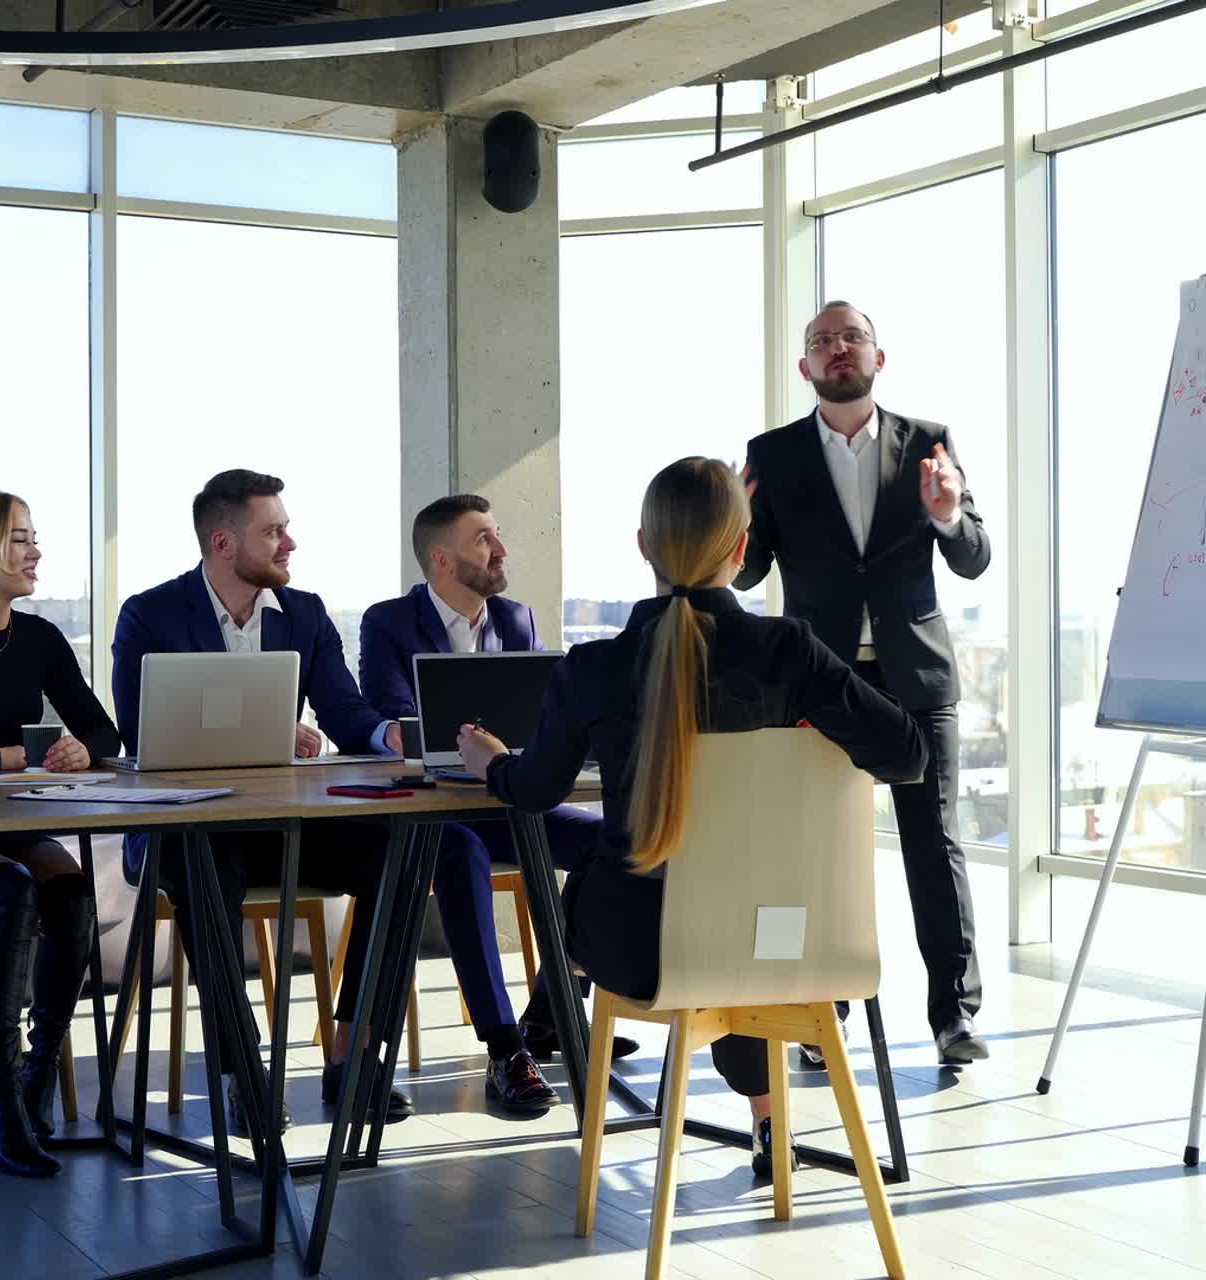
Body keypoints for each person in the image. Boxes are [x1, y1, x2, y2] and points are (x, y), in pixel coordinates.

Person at [457, 457, 925, 1181]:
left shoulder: (593, 668)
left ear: (644, 545)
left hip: (641, 950)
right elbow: (906, 754)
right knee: (740, 924)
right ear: (741, 553)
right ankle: (771, 1125)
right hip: (786, 941)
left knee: (601, 875)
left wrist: (489, 761)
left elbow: (535, 790)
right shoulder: (789, 653)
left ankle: (542, 1035)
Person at [112, 469, 414, 1132]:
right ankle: (242, 1071)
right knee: (205, 862)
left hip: (279, 827)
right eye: (272, 531)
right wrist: (270, 726)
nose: (289, 543)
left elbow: (343, 708)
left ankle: (353, 1053)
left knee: (399, 850)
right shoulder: (150, 614)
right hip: (182, 829)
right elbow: (140, 731)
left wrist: (386, 733)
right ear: (224, 542)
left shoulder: (303, 614)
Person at [735, 300, 992, 1066]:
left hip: (916, 677)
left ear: (880, 358)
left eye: (852, 337)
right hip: (818, 679)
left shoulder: (929, 443)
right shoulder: (771, 453)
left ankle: (954, 1017)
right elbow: (748, 569)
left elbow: (975, 556)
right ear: (805, 367)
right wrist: (736, 533)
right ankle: (824, 1008)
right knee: (819, 847)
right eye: (822, 340)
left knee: (933, 841)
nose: (838, 348)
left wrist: (947, 517)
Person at [359, 494, 637, 1070]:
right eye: (484, 538)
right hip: (430, 813)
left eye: (498, 534)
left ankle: (551, 1009)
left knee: (615, 843)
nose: (501, 550)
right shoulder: (387, 622)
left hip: (508, 801)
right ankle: (505, 1046)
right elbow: (398, 720)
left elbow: (543, 712)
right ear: (440, 558)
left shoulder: (516, 619)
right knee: (461, 853)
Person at [0, 488, 121, 1177]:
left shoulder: (38, 638)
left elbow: (101, 727)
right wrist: (8, 757)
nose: (35, 551)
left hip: (7, 826)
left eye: (35, 537)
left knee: (69, 890)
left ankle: (37, 1081)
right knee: (11, 888)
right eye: (19, 539)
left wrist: (81, 751)